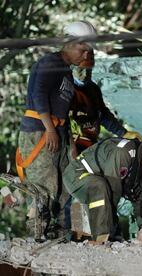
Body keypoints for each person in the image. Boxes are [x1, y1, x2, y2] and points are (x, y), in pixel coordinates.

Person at [16, 21, 97, 240]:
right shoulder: (49, 62)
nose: (84, 56)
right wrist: (50, 129)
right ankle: (37, 232)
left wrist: (68, 141)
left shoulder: (68, 74)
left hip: (57, 132)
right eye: (82, 50)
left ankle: (58, 232)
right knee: (43, 185)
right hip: (39, 132)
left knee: (64, 184)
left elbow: (65, 111)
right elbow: (39, 95)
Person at [62, 132, 142, 243]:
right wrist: (111, 232)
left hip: (99, 184)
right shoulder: (124, 153)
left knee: (139, 195)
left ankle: (105, 233)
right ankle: (99, 237)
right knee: (100, 187)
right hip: (77, 175)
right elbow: (112, 192)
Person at [70, 50, 142, 153]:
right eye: (81, 69)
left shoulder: (93, 89)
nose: (85, 74)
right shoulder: (64, 89)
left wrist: (123, 133)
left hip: (89, 144)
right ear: (72, 67)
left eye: (89, 69)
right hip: (69, 144)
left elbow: (103, 114)